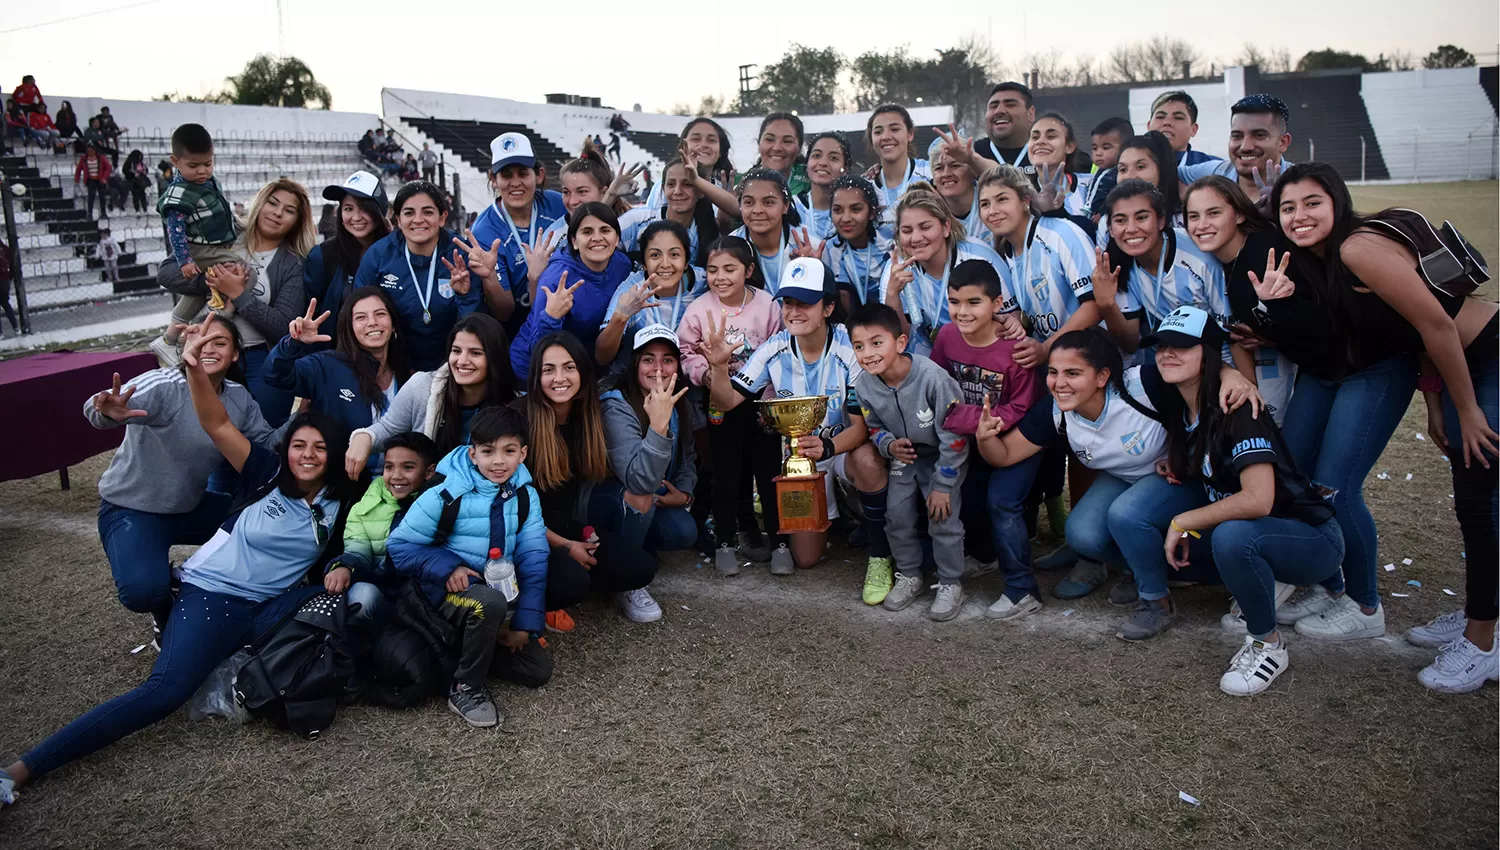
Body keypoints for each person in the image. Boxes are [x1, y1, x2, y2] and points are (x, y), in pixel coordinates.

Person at [1, 313, 359, 798]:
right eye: (298, 445)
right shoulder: (265, 473)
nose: (308, 455)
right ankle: (21, 771)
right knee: (165, 692)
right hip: (213, 595)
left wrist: (364, 441)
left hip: (266, 607)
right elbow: (214, 422)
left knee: (343, 598)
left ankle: (230, 650)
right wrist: (191, 367)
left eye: (319, 447)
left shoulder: (343, 501)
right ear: (285, 450)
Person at [1273, 163, 1498, 663]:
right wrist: (1437, 404)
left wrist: (1467, 408)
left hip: (1490, 355)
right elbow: (1410, 335)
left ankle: (1482, 636)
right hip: (1463, 364)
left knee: (1480, 496)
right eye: (1288, 208)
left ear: (1337, 201)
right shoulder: (1326, 260)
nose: (1299, 216)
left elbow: (1436, 324)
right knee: (1474, 498)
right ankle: (1481, 612)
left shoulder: (1356, 248)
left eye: (1312, 203)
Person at [1110, 306, 1343, 695]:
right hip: (1260, 531)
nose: (1168, 353)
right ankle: (1266, 583)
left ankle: (1267, 644)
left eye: (1183, 346)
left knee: (1231, 537)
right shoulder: (1180, 397)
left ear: (1209, 353)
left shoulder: (1236, 408)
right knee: (1174, 554)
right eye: (1163, 344)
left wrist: (1185, 520)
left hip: (1312, 539)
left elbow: (1258, 500)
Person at [80, 314, 275, 635]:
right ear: (187, 346)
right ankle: (165, 603)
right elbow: (100, 405)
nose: (208, 348)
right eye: (200, 339)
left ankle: (221, 590)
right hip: (132, 511)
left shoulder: (239, 398)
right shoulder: (164, 384)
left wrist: (306, 425)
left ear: (236, 354)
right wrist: (105, 411)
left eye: (220, 342)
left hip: (190, 507)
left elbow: (267, 444)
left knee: (261, 524)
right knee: (142, 591)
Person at [704, 258, 893, 585]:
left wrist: (829, 447)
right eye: (788, 303)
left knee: (868, 463)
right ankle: (843, 516)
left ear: (829, 307)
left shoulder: (850, 345)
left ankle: (880, 552)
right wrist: (720, 368)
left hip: (842, 447)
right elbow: (727, 401)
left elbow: (861, 427)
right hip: (802, 457)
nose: (794, 311)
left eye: (805, 303)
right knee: (805, 559)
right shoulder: (775, 346)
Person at [387, 406, 551, 728]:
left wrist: (524, 623)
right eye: (488, 452)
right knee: (489, 603)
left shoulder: (527, 496)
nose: (499, 461)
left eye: (509, 451)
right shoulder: (445, 493)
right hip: (443, 591)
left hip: (496, 595)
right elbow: (399, 546)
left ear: (524, 453)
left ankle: (472, 650)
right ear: (473, 454)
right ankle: (465, 687)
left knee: (536, 671)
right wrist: (449, 569)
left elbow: (534, 558)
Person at [520, 333, 661, 626]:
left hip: (566, 525)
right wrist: (564, 545)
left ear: (582, 373)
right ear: (536, 376)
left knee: (641, 567)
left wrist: (581, 535)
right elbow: (510, 513)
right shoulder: (519, 421)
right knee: (573, 583)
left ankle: (559, 579)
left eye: (569, 367)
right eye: (549, 369)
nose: (560, 378)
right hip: (523, 536)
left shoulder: (586, 417)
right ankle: (523, 598)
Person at [158, 178, 317, 427]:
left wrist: (239, 294)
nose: (277, 213)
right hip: (209, 350)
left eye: (289, 210)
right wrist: (212, 281)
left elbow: (283, 325)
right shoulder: (224, 236)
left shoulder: (293, 263)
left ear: (297, 221)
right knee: (207, 432)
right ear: (259, 204)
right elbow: (167, 273)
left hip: (262, 359)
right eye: (272, 203)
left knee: (265, 434)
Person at [931, 260, 1040, 615]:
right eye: (954, 301)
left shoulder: (1015, 348)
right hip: (973, 434)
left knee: (1003, 503)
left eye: (973, 302)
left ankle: (1022, 589)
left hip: (1014, 437)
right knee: (970, 498)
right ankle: (985, 556)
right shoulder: (946, 337)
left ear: (997, 304)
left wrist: (985, 421)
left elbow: (1023, 406)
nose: (962, 312)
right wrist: (972, 421)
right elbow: (939, 392)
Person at [848, 303, 969, 621]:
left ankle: (950, 582)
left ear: (900, 343)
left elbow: (955, 435)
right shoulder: (863, 385)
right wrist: (888, 445)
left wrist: (943, 484)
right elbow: (874, 426)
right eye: (859, 346)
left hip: (944, 457)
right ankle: (909, 574)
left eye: (877, 343)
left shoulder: (932, 378)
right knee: (896, 515)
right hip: (905, 457)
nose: (868, 353)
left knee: (941, 516)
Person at [678, 236, 783, 569]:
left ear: (748, 270)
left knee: (768, 472)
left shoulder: (768, 305)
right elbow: (684, 352)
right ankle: (725, 542)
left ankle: (779, 543)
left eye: (729, 269)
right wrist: (706, 375)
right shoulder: (698, 309)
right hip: (719, 399)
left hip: (759, 402)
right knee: (725, 472)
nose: (719, 277)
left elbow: (779, 350)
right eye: (712, 270)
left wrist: (770, 401)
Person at [1182, 176, 1304, 418]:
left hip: (1339, 365)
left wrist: (1271, 325)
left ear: (1239, 215)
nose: (1202, 224)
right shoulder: (1218, 262)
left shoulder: (1268, 253)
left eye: (1213, 213)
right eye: (1193, 216)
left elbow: (1311, 318)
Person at [344, 313, 516, 474]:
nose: (462, 361)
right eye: (456, 351)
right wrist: (363, 438)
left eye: (475, 353)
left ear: (494, 358)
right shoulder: (422, 386)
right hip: (429, 494)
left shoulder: (515, 405)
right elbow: (388, 429)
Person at [265, 287, 413, 474]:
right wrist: (293, 343)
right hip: (343, 485)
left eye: (380, 314)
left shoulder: (407, 376)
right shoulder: (327, 366)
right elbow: (275, 376)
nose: (372, 323)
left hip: (397, 483)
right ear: (349, 327)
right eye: (361, 317)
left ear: (393, 325)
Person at [355, 181, 495, 371]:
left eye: (428, 212)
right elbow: (359, 313)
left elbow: (474, 326)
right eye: (409, 213)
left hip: (452, 364)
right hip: (395, 363)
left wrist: (464, 295)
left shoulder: (460, 254)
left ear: (442, 217)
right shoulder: (379, 256)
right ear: (397, 219)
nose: (418, 219)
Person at [595, 324, 698, 567]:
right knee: (640, 496)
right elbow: (637, 481)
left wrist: (683, 494)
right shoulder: (616, 405)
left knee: (683, 531)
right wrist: (658, 425)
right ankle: (625, 570)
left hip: (655, 495)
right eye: (648, 359)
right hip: (611, 497)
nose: (658, 369)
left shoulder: (682, 404)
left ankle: (638, 546)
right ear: (636, 365)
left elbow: (688, 458)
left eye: (668, 360)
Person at [329, 431, 440, 634]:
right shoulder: (366, 506)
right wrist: (345, 566)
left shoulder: (438, 504)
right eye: (389, 467)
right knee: (361, 596)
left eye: (408, 467)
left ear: (429, 472)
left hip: (423, 600)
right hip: (383, 596)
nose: (396, 476)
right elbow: (358, 551)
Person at [880, 182, 1010, 356]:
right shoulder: (895, 269)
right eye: (907, 230)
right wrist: (892, 294)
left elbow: (1012, 317)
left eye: (925, 227)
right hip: (931, 355)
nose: (916, 238)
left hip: (983, 350)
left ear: (946, 227)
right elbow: (899, 339)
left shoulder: (980, 256)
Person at [509, 202, 632, 382]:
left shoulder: (622, 265)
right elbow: (538, 348)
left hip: (582, 368)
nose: (597, 238)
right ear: (574, 241)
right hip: (534, 373)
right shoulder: (557, 279)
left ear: (616, 239)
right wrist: (551, 317)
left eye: (605, 230)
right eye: (587, 232)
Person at [150, 124, 235, 364]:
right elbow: (175, 232)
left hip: (215, 242)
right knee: (237, 269)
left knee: (198, 292)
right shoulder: (178, 194)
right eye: (194, 165)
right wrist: (185, 261)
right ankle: (219, 317)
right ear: (175, 161)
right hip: (199, 247)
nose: (202, 171)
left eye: (207, 164)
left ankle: (169, 338)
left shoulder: (208, 182)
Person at [469, 132, 567, 334]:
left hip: (566, 318)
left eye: (523, 173)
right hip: (517, 331)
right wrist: (490, 279)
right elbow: (504, 313)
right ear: (493, 179)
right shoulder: (484, 231)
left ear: (539, 175)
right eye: (506, 175)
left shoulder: (558, 204)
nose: (515, 183)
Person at [596, 220, 703, 373]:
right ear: (644, 263)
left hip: (690, 379)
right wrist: (621, 317)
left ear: (686, 261)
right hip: (636, 382)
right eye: (655, 255)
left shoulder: (705, 283)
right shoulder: (632, 290)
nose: (665, 264)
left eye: (674, 254)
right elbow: (602, 357)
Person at [306, 172, 391, 345]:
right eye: (348, 209)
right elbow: (312, 311)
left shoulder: (395, 252)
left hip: (389, 352)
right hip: (338, 354)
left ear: (378, 211)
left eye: (364, 209)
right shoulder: (322, 255)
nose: (356, 217)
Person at [1179, 95, 1293, 202]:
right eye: (1237, 136)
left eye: (1259, 135)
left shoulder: (1301, 182)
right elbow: (1172, 173)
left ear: (1283, 143)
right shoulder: (1218, 173)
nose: (1245, 147)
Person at [729, 167, 802, 296]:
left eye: (768, 202)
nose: (757, 210)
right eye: (749, 202)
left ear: (785, 206)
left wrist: (812, 268)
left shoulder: (807, 244)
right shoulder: (730, 246)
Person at [866, 105, 933, 241]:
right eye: (878, 132)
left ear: (910, 134)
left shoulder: (931, 173)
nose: (885, 137)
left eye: (895, 129)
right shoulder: (865, 186)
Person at [823, 175, 890, 311]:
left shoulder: (890, 237)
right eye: (838, 210)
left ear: (872, 212)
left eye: (856, 209)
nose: (846, 218)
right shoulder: (831, 249)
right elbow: (844, 297)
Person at [927, 136, 987, 241]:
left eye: (955, 166)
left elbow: (1006, 179)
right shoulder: (926, 209)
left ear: (973, 171)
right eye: (939, 168)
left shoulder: (991, 199)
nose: (946, 174)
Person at [798, 132, 851, 241]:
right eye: (816, 155)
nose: (823, 163)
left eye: (833, 158)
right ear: (807, 164)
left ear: (845, 169)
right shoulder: (791, 208)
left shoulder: (853, 212)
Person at [1147, 91, 1220, 166]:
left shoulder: (1213, 168)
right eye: (1160, 117)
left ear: (1194, 129)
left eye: (1178, 118)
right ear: (1149, 126)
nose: (1167, 122)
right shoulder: (1135, 165)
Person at [978, 82, 1035, 170]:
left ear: (1030, 114)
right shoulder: (972, 155)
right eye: (993, 106)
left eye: (1010, 105)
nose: (999, 111)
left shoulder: (1046, 153)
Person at [1084, 117, 1134, 218]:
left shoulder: (1121, 174)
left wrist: (1103, 213)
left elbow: (1118, 198)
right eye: (1094, 148)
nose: (1098, 153)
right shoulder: (1099, 170)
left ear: (1125, 148)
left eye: (1106, 148)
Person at [751, 112, 809, 197]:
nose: (777, 148)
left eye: (787, 141)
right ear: (759, 145)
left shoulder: (812, 181)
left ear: (799, 149)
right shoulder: (740, 184)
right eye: (770, 139)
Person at [73, 142, 112, 220]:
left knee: (102, 195)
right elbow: (78, 169)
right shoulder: (84, 159)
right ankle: (90, 213)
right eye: (88, 150)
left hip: (100, 179)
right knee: (91, 195)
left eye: (91, 150)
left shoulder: (101, 158)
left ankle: (103, 212)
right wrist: (77, 179)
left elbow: (108, 167)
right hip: (90, 179)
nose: (90, 152)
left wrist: (104, 178)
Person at [0, 236, 17, 336]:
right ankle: (15, 327)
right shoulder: (6, 249)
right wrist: (10, 277)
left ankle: (0, 333)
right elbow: (12, 265)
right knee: (5, 303)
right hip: (5, 279)